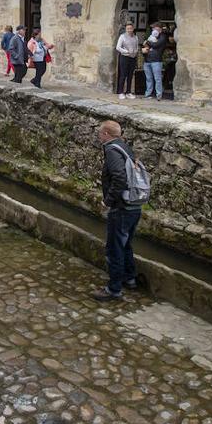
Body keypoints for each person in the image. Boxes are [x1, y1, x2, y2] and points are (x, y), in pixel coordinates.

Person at [92, 120, 143, 302]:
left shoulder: (112, 150)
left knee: (114, 249)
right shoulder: (124, 147)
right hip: (134, 206)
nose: (98, 136)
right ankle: (130, 278)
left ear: (106, 134)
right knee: (126, 245)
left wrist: (108, 201)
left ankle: (113, 289)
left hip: (121, 207)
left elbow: (120, 178)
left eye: (100, 133)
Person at [142, 22, 168, 100]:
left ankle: (159, 95)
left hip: (156, 61)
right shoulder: (150, 37)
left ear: (159, 29)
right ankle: (148, 94)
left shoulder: (162, 37)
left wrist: (147, 42)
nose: (153, 30)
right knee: (148, 79)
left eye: (155, 28)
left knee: (157, 79)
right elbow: (145, 46)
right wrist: (144, 50)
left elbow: (156, 45)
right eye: (152, 28)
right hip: (147, 60)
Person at [115, 23, 140, 99]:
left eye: (130, 28)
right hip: (124, 57)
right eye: (128, 28)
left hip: (132, 58)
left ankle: (128, 92)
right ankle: (120, 92)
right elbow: (118, 47)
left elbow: (136, 46)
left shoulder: (135, 37)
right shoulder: (122, 36)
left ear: (133, 29)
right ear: (126, 29)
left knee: (130, 75)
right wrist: (126, 51)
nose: (129, 30)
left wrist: (135, 51)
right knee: (123, 75)